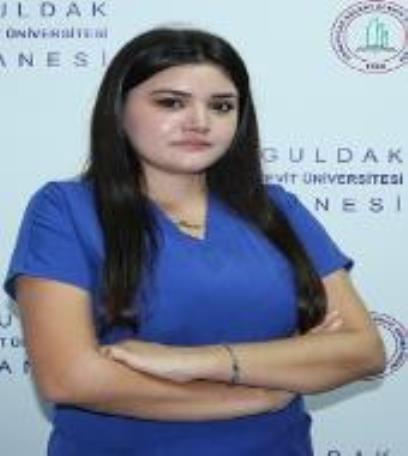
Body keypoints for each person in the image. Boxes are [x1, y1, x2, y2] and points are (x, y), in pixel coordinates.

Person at [3, 26, 385, 455]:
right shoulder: (65, 209)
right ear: (119, 108)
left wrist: (194, 362)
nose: (200, 122)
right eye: (171, 102)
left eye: (221, 106)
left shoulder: (277, 209)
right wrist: (261, 392)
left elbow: (364, 350)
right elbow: (70, 378)